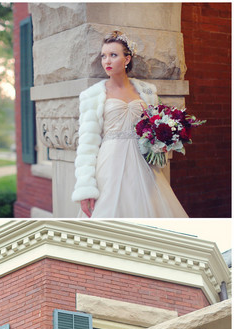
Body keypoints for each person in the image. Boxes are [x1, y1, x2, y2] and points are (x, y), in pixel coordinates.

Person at [72, 30, 189, 218]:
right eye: (103, 56)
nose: (107, 61)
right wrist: (85, 188)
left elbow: (156, 125)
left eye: (113, 55)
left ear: (127, 59)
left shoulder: (147, 91)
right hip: (109, 165)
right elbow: (87, 145)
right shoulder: (91, 96)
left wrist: (164, 139)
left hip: (144, 164)